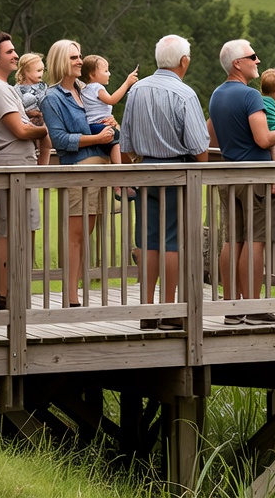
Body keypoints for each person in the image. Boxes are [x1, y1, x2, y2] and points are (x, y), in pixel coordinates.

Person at [119, 34, 209, 331]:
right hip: (177, 174)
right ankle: (169, 309)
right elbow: (198, 146)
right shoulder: (185, 94)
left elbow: (126, 142)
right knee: (172, 242)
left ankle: (147, 309)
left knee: (146, 241)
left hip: (144, 171)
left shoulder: (137, 90)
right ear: (184, 61)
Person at [208, 40, 275, 326]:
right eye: (253, 56)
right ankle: (253, 308)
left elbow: (211, 138)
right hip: (256, 178)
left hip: (230, 177)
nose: (258, 60)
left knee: (233, 240)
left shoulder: (216, 95)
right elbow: (263, 139)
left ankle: (232, 307)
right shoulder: (250, 96)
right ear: (237, 63)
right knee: (256, 241)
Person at [40, 40, 116, 307]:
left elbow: (99, 119)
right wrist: (94, 139)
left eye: (81, 56)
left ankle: (79, 293)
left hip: (98, 171)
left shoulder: (86, 91)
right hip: (77, 171)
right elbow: (59, 140)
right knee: (75, 234)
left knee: (88, 233)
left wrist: (111, 123)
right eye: (74, 57)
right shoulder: (52, 98)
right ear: (61, 61)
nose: (80, 61)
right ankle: (70, 297)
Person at [0, 33, 49, 309]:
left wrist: (33, 122)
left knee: (23, 230)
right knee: (9, 233)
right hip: (13, 164)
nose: (15, 56)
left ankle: (13, 292)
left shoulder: (2, 88)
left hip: (19, 163)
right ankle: (5, 296)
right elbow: (19, 131)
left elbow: (20, 123)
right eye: (9, 52)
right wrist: (49, 129)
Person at [79, 54, 139, 165]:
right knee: (117, 138)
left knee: (116, 140)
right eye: (106, 71)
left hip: (91, 126)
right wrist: (127, 83)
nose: (109, 74)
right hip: (100, 125)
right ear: (92, 75)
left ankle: (123, 164)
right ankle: (118, 168)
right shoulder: (97, 87)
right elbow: (112, 100)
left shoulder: (84, 90)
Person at [15, 52, 52, 165]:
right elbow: (18, 107)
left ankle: (43, 166)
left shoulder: (43, 86)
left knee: (46, 143)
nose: (41, 73)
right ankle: (31, 163)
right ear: (26, 71)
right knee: (29, 144)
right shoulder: (17, 89)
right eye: (38, 70)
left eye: (42, 70)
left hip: (43, 120)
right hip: (27, 120)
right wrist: (30, 114)